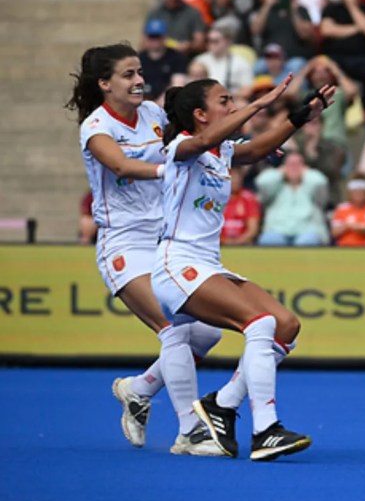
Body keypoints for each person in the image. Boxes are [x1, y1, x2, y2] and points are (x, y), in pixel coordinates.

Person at [152, 74, 334, 461]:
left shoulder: (224, 151)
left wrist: (303, 114)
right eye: (225, 101)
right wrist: (259, 105)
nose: (232, 105)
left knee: (285, 325)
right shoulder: (183, 145)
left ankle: (222, 404)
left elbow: (259, 147)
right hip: (176, 264)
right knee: (261, 323)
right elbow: (202, 141)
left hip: (208, 264)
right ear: (200, 114)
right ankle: (266, 429)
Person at [67, 43, 223, 455]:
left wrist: (237, 148)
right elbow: (120, 166)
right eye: (128, 75)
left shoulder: (154, 115)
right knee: (173, 330)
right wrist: (168, 167)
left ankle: (137, 390)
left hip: (165, 240)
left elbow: (196, 141)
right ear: (105, 84)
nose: (139, 81)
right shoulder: (96, 126)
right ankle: (190, 431)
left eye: (139, 73)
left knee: (206, 333)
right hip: (124, 243)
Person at [255, 150, 330, 246]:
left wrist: (307, 172)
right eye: (290, 164)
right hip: (277, 230)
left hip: (307, 230)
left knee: (307, 242)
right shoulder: (275, 185)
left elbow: (321, 182)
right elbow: (262, 182)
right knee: (269, 240)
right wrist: (280, 172)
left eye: (297, 164)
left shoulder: (310, 184)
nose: (294, 168)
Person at [330, 175, 365, 247]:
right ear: (350, 193)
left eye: (361, 192)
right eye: (356, 192)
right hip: (345, 246)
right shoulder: (342, 208)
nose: (359, 195)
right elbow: (334, 233)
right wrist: (348, 226)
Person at [222, 167, 262, 246]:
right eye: (232, 177)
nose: (235, 180)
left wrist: (239, 241)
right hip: (218, 243)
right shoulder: (216, 198)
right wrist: (224, 241)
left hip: (244, 244)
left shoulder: (249, 198)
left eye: (237, 177)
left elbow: (253, 229)